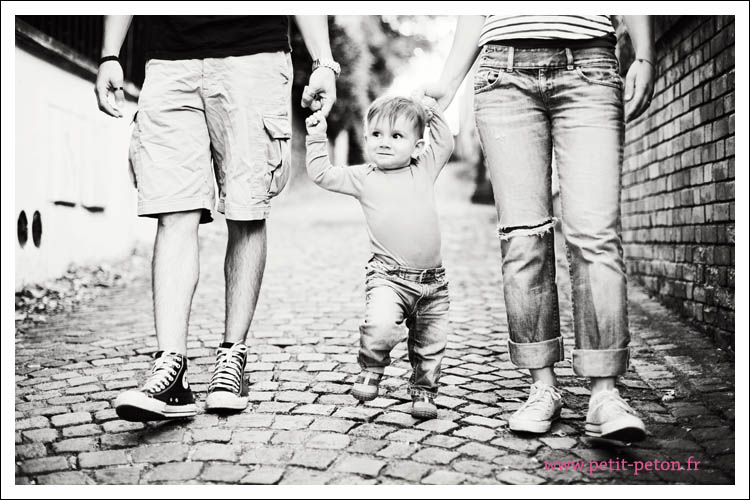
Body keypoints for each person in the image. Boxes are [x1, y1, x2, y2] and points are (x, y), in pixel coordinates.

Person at [421, 15, 655, 441]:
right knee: (523, 239)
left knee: (595, 236)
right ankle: (542, 386)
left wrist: (644, 53)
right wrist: (448, 84)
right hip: (501, 74)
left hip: (591, 64)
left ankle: (605, 394)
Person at [94, 15, 338, 421]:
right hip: (168, 59)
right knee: (172, 211)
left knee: (246, 211)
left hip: (253, 52)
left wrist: (324, 62)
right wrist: (108, 54)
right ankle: (171, 373)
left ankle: (232, 359)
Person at [304, 95, 454, 419]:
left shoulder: (424, 169)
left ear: (416, 147)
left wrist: (430, 108)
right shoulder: (364, 177)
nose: (384, 143)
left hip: (433, 282)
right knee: (381, 326)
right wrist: (317, 135)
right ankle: (371, 369)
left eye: (396, 136)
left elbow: (445, 142)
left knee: (431, 344)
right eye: (376, 135)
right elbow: (322, 174)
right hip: (388, 277)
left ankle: (424, 392)